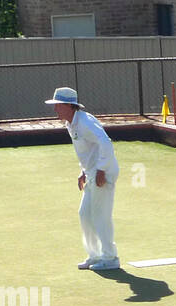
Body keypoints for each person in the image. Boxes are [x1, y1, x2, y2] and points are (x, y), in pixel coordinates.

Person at [46, 87, 119, 271]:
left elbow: (105, 143)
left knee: (100, 215)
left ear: (70, 106)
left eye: (58, 105)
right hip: (92, 171)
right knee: (85, 214)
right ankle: (95, 256)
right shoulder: (71, 123)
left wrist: (102, 169)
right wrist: (83, 171)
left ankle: (110, 258)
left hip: (103, 172)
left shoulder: (85, 122)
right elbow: (87, 150)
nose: (55, 109)